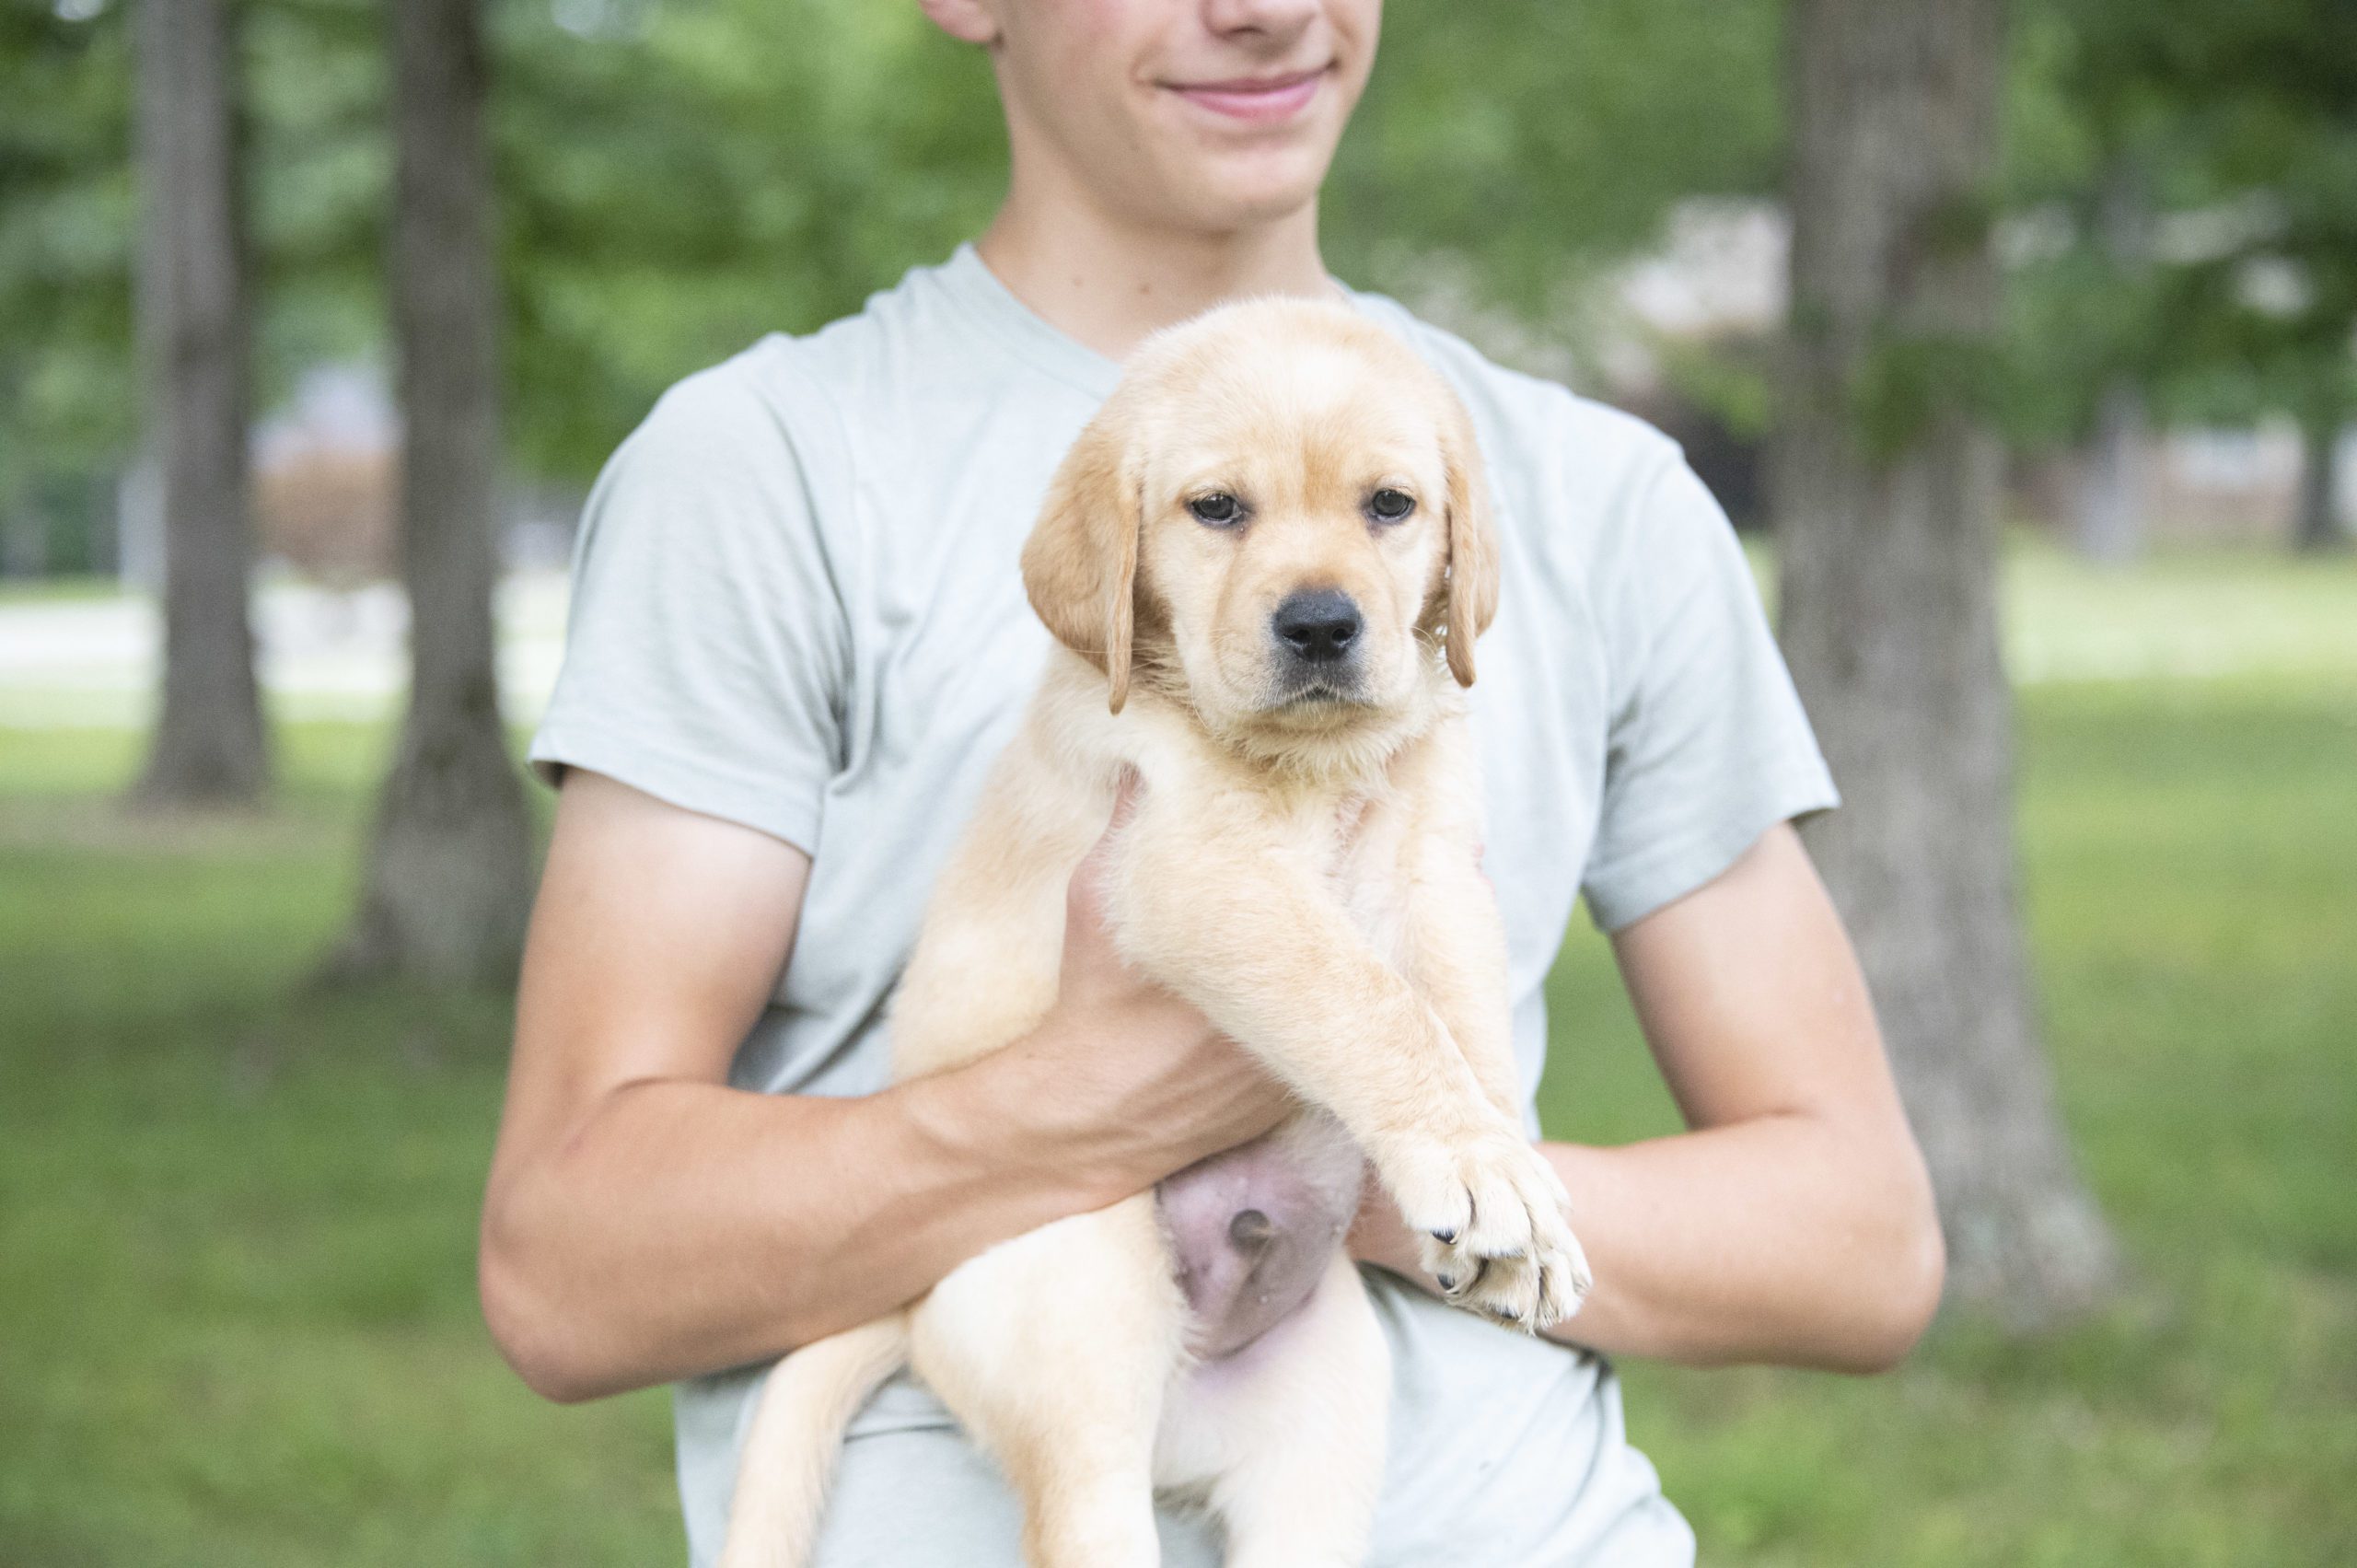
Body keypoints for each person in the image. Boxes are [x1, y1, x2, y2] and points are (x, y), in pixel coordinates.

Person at [479, 1, 1945, 1562]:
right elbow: (567, 1271)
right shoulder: (763, 472)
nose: (1263, 8)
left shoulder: (1600, 495)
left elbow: (1859, 1247)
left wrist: (1378, 1158)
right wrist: (1086, 1106)